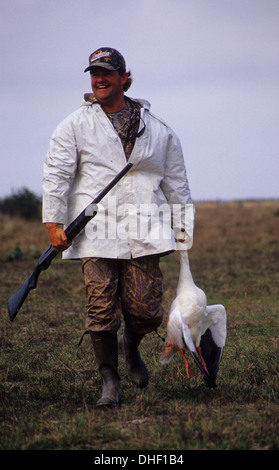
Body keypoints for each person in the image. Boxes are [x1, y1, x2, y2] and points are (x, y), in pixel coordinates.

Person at [42, 47, 195, 407]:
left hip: (146, 230)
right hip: (95, 232)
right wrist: (53, 221)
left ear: (125, 78)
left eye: (107, 73)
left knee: (146, 310)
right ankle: (110, 380)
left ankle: (132, 345)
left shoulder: (159, 130)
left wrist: (183, 229)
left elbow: (177, 181)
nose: (99, 79)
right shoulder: (74, 125)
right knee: (101, 306)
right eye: (94, 73)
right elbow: (56, 174)